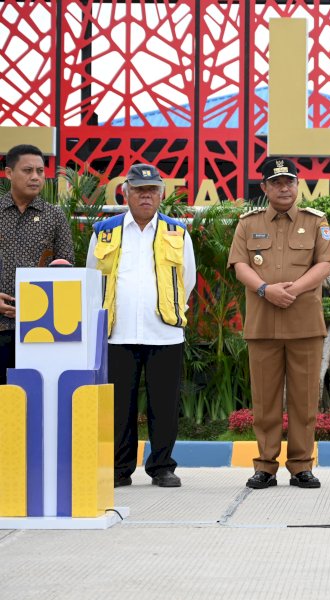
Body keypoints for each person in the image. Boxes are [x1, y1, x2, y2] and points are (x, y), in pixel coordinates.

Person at [228, 157, 330, 490]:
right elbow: (240, 266)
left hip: (305, 324)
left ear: (297, 184)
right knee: (265, 401)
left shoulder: (315, 221)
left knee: (304, 400)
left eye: (289, 181)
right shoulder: (248, 223)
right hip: (263, 324)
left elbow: (325, 264)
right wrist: (265, 290)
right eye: (276, 182)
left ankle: (302, 466)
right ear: (265, 187)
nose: (284, 188)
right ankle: (265, 466)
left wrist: (293, 290)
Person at [87, 164, 196, 488]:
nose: (145, 196)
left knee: (164, 405)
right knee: (120, 405)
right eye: (138, 190)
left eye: (151, 190)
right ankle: (120, 470)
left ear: (161, 195)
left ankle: (162, 467)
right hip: (116, 332)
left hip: (164, 332)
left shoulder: (177, 232)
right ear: (126, 194)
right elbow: (92, 278)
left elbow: (187, 278)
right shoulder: (104, 231)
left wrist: (171, 311)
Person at [0, 144, 74, 384]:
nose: (35, 177)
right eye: (28, 170)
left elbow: (67, 269)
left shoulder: (55, 216)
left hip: (40, 329)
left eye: (40, 171)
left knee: (33, 396)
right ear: (9, 173)